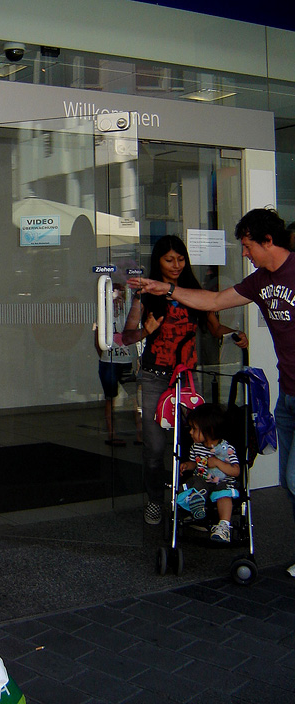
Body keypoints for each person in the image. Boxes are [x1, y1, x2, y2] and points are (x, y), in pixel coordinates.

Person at [128, 208, 295, 571]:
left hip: (194, 379)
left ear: (267, 240)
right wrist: (163, 290)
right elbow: (216, 301)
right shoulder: (261, 281)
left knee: (293, 476)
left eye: (248, 246)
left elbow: (213, 315)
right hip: (285, 392)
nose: (245, 254)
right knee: (286, 479)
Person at [122, 235, 247, 525]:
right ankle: (154, 500)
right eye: (169, 260)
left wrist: (233, 335)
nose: (176, 265)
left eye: (181, 259)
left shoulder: (194, 292)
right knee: (154, 447)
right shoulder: (147, 295)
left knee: (194, 444)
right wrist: (146, 331)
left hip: (188, 381)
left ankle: (193, 497)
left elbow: (214, 329)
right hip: (154, 378)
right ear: (158, 262)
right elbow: (127, 336)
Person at [177, 403, 240, 542]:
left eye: (194, 429)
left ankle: (223, 526)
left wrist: (218, 462)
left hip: (221, 482)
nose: (190, 432)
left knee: (223, 492)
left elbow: (236, 471)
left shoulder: (225, 448)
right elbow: (196, 463)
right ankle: (197, 505)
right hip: (203, 483)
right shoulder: (196, 447)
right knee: (196, 482)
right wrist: (187, 465)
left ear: (209, 430)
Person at [95, 282, 143, 447]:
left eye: (120, 297)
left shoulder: (129, 316)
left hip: (125, 361)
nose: (118, 301)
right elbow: (98, 342)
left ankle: (139, 435)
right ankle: (112, 434)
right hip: (110, 362)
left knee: (133, 398)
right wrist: (106, 356)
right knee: (111, 398)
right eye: (115, 297)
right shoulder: (104, 316)